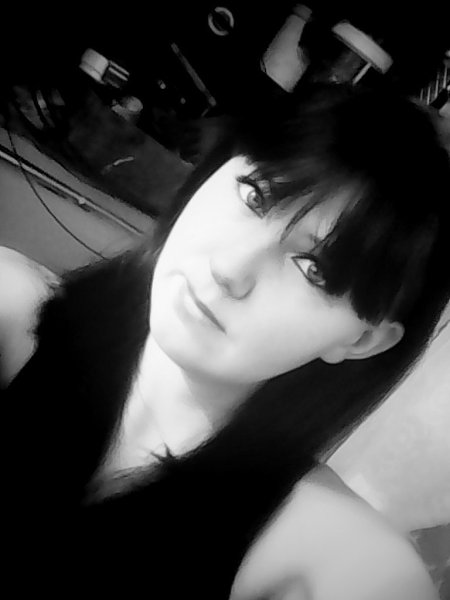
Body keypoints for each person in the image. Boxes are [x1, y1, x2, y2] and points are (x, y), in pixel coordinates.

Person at [2, 83, 449, 599]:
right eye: (256, 196)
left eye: (313, 269)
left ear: (363, 340)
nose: (230, 269)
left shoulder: (332, 562)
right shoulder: (13, 312)